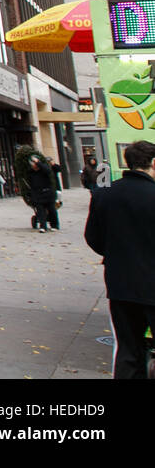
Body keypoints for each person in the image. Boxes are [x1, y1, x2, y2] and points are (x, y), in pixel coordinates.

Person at [84, 141, 155, 379]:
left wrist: (117, 254)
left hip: (121, 284)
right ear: (153, 163)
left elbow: (93, 238)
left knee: (128, 350)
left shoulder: (105, 193)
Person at [25, 155, 57, 234]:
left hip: (48, 192)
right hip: (37, 193)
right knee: (40, 210)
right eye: (32, 164)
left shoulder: (44, 170)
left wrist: (38, 162)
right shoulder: (31, 173)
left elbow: (48, 171)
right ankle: (43, 226)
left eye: (35, 164)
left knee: (51, 210)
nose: (33, 166)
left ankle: (54, 225)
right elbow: (30, 183)